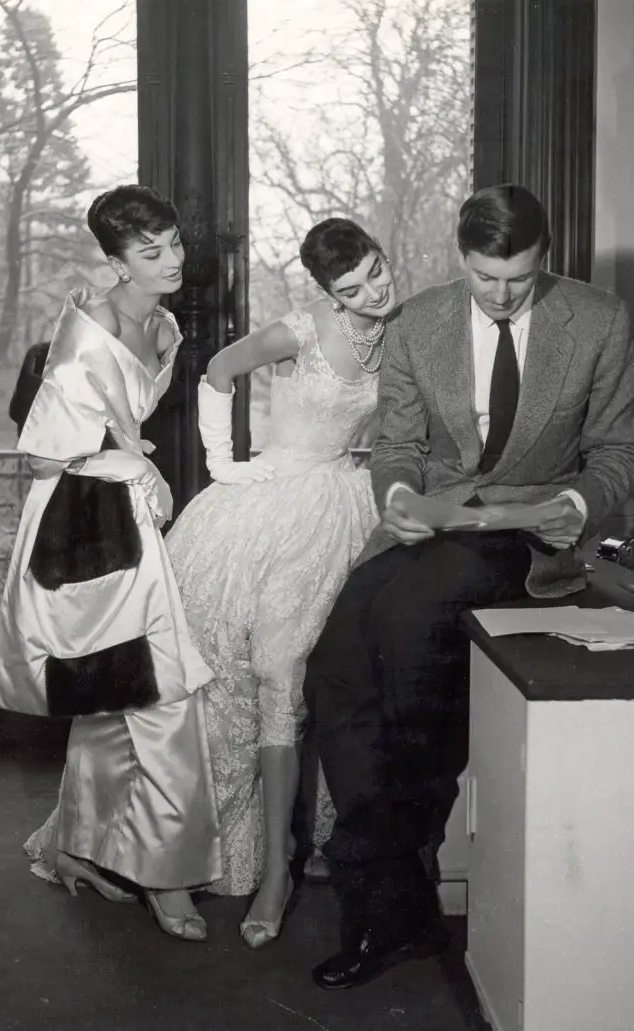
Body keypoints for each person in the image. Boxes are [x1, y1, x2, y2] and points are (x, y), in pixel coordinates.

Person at [303, 183, 634, 989]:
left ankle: (381, 906)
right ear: (463, 258)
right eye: (484, 278)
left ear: (544, 260)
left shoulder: (596, 319)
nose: (498, 295)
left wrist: (576, 503)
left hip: (525, 539)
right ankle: (398, 895)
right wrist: (397, 497)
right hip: (427, 528)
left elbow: (623, 452)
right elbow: (396, 444)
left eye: (517, 281)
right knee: (335, 661)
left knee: (407, 624)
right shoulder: (419, 321)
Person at [0, 185, 222, 942]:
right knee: (162, 696)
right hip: (80, 522)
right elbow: (42, 452)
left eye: (175, 244)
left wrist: (135, 467)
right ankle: (168, 874)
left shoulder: (163, 320)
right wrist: (126, 463)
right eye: (149, 252)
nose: (172, 262)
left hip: (126, 516)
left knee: (123, 691)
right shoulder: (88, 325)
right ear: (115, 261)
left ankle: (78, 847)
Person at [164, 218, 395, 947]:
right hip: (270, 500)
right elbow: (217, 369)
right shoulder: (300, 329)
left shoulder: (410, 333)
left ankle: (291, 859)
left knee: (311, 674)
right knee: (253, 671)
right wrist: (223, 462)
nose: (370, 294)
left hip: (349, 506)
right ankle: (263, 864)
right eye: (350, 288)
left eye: (376, 273)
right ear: (325, 291)